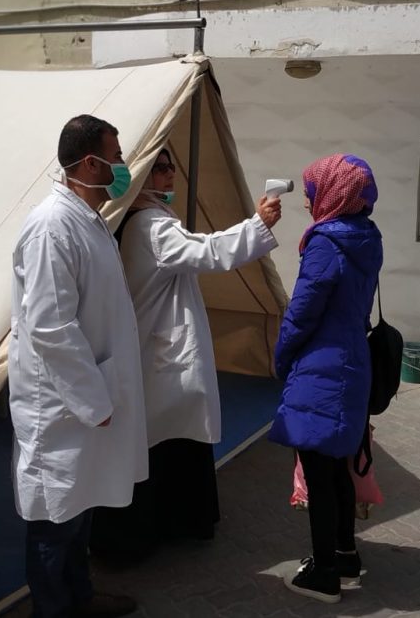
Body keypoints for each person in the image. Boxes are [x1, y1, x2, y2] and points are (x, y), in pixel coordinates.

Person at [90, 147, 282, 557]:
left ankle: (170, 525)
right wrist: (257, 225)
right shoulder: (151, 225)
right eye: (158, 169)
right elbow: (207, 251)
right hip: (160, 353)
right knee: (166, 442)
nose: (168, 175)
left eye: (170, 166)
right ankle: (153, 532)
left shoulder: (139, 221)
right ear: (140, 178)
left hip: (155, 346)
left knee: (168, 440)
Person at [8, 114, 145, 618]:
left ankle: (80, 598)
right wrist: (92, 400)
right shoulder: (51, 227)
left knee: (79, 508)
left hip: (89, 398)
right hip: (62, 406)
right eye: (117, 155)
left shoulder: (88, 222)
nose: (123, 165)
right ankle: (54, 609)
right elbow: (50, 327)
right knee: (54, 519)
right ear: (91, 162)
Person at [269, 154, 382, 604]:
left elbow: (303, 309)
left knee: (318, 472)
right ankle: (346, 557)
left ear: (333, 192)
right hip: (351, 362)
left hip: (322, 366)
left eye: (313, 190)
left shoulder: (325, 243)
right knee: (336, 467)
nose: (308, 200)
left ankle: (323, 574)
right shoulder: (366, 236)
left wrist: (281, 355)